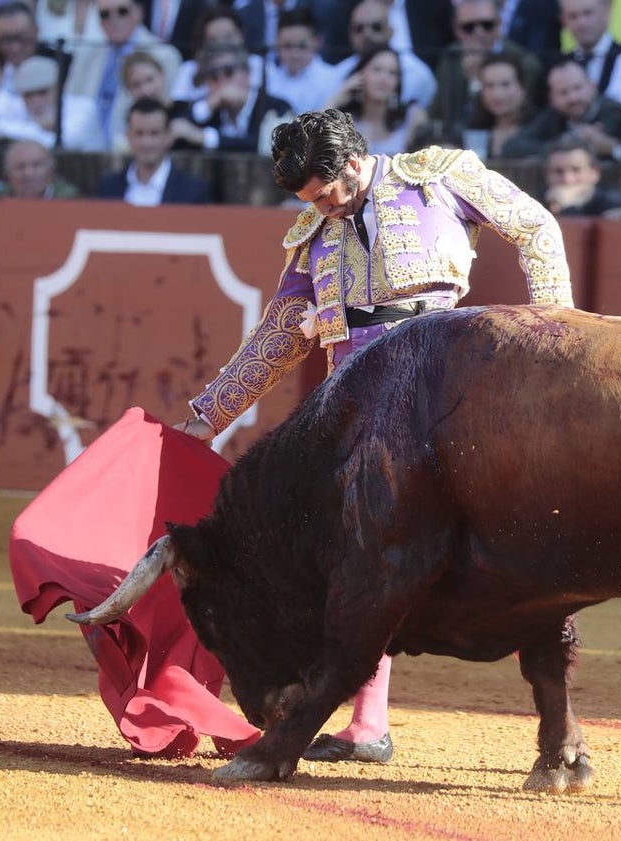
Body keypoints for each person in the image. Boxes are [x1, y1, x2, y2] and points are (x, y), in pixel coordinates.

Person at [174, 108, 573, 764]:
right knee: (360, 561)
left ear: (354, 161)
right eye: (310, 201)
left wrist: (555, 331)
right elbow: (277, 334)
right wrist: (208, 417)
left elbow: (536, 226)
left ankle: (550, 716)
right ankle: (368, 723)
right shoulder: (315, 230)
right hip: (354, 411)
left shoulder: (438, 176)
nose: (324, 209)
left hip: (441, 389)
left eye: (327, 193)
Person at [63, 0, 182, 151]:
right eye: (105, 14)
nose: (114, 19)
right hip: (83, 152)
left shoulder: (164, 55)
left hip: (135, 152)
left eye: (122, 11)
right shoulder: (86, 55)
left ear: (138, 12)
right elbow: (70, 105)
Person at [429, 0, 546, 143]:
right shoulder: (451, 58)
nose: (479, 33)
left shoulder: (525, 62)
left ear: (500, 24)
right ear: (456, 30)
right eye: (469, 27)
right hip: (462, 146)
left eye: (487, 25)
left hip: (513, 144)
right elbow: (440, 113)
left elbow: (532, 114)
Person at [501, 56, 621, 159]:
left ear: (592, 86)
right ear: (552, 99)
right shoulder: (553, 115)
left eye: (577, 88)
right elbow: (511, 147)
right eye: (563, 92)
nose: (573, 97)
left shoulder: (614, 111)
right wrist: (564, 142)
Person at [172, 45, 292, 153]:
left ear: (247, 74)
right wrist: (208, 106)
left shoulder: (276, 107)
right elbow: (177, 129)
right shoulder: (209, 110)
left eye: (229, 72)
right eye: (213, 76)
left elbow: (265, 145)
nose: (222, 82)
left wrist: (205, 138)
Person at [326, 0, 438, 111]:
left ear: (391, 32)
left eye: (376, 27)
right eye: (359, 28)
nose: (367, 34)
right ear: (350, 34)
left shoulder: (417, 73)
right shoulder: (338, 75)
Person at [98, 97, 212, 204]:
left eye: (154, 133)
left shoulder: (193, 191)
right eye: (139, 133)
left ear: (168, 136)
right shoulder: (108, 187)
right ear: (128, 136)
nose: (146, 143)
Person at [326, 45, 429, 155]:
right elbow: (313, 136)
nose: (384, 79)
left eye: (392, 73)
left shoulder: (411, 116)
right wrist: (339, 95)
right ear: (360, 74)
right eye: (377, 70)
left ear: (398, 82)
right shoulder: (343, 122)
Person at [0, 54, 106, 151]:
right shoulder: (18, 107)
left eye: (42, 92)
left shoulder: (84, 107)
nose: (36, 101)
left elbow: (64, 143)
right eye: (29, 95)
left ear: (58, 89)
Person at [560, 0, 621, 110]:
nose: (581, 23)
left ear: (606, 11)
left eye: (587, 13)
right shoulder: (561, 64)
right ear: (564, 20)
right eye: (573, 16)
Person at [264, 8, 341, 115]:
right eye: (287, 46)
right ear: (277, 43)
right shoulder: (268, 77)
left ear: (318, 42)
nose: (295, 54)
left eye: (302, 46)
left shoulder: (332, 79)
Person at [462, 51, 534, 158]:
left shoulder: (539, 128)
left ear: (522, 87)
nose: (497, 94)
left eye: (505, 84)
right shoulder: (473, 130)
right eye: (490, 86)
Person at [542, 136, 621, 215]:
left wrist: (568, 206)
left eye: (576, 170)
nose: (568, 179)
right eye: (558, 171)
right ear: (547, 174)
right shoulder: (535, 206)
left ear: (594, 173)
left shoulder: (613, 204)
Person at [0, 137, 81, 198]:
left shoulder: (71, 199)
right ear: (8, 174)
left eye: (36, 166)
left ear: (51, 171)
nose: (28, 173)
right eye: (20, 167)